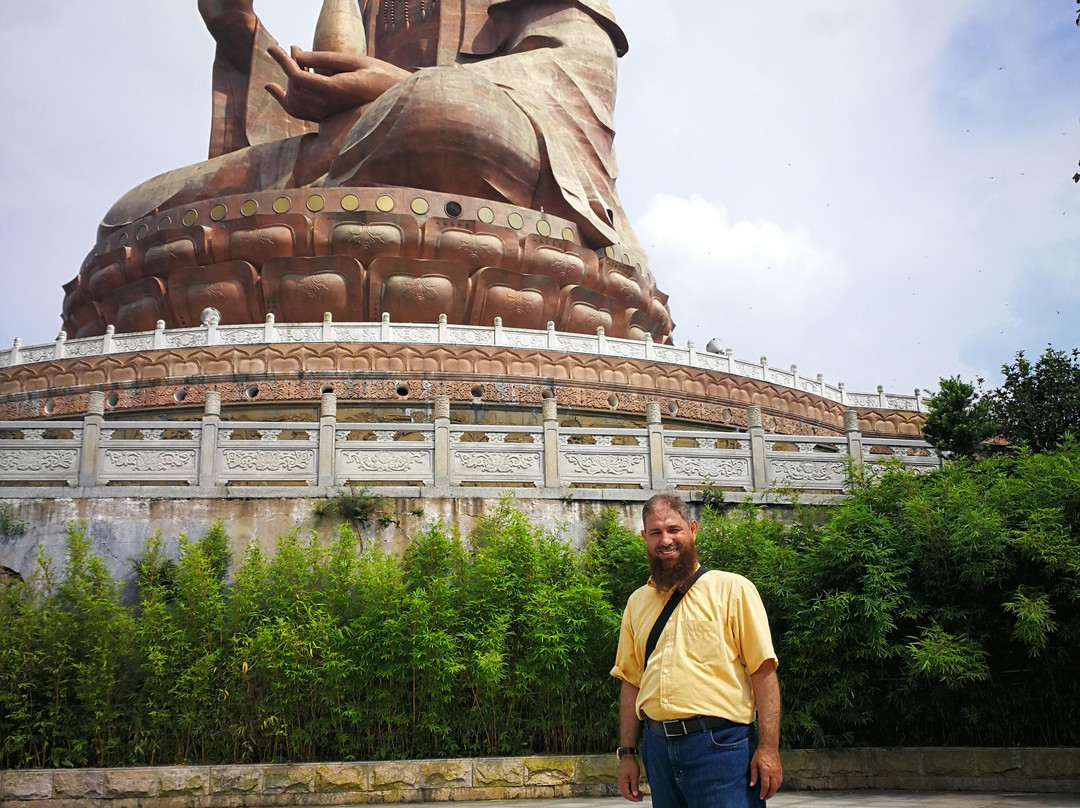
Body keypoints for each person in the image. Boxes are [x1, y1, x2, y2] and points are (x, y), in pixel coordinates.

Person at [101, 0, 646, 264]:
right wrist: (243, 36)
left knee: (441, 112)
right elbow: (327, 106)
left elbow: (574, 76)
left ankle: (308, 215)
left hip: (488, 138)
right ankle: (311, 209)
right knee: (132, 216)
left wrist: (395, 84)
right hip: (356, 148)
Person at [610, 493, 783, 807]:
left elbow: (763, 671)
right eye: (656, 533)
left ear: (692, 529)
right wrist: (627, 754)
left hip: (721, 747)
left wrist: (769, 749)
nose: (666, 540)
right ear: (644, 538)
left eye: (674, 530)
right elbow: (630, 681)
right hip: (658, 749)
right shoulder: (637, 602)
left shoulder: (733, 589)